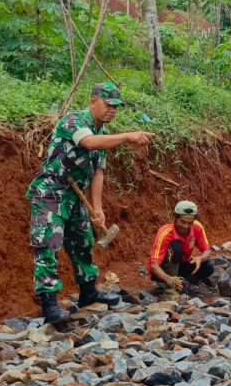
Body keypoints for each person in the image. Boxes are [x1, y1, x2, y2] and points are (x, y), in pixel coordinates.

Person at [28, 83, 154, 323]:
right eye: (108, 105)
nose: (112, 110)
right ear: (93, 101)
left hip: (76, 196)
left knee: (82, 243)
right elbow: (89, 143)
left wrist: (98, 208)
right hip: (50, 193)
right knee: (48, 245)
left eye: (116, 106)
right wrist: (128, 136)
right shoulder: (73, 121)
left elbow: (98, 172)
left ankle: (88, 292)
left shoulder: (105, 134)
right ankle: (49, 305)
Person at [147, 200, 215, 299]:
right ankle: (171, 289)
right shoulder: (165, 233)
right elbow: (154, 266)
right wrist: (170, 280)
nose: (186, 226)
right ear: (175, 217)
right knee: (176, 246)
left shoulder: (197, 227)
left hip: (181, 266)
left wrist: (200, 258)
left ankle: (184, 283)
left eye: (189, 223)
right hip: (162, 270)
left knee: (208, 266)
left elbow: (207, 251)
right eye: (182, 222)